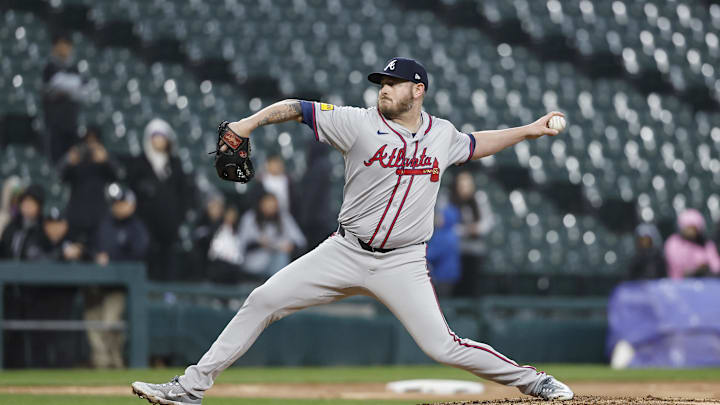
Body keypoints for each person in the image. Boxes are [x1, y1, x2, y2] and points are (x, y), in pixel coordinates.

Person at [132, 57, 573, 403]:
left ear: (417, 91)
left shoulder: (443, 134)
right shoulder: (356, 122)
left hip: (403, 262)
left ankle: (535, 382)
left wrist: (529, 132)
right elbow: (297, 108)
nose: (383, 89)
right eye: (380, 83)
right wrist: (247, 124)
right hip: (345, 251)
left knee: (443, 347)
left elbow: (477, 144)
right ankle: (189, 388)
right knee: (263, 299)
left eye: (392, 83)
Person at [87, 183, 149, 369]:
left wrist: (112, 258)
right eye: (116, 203)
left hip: (120, 287)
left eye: (122, 203)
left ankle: (114, 362)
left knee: (110, 324)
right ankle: (102, 363)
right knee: (93, 324)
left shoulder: (136, 227)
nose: (118, 206)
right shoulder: (105, 223)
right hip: (98, 284)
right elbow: (92, 247)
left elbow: (140, 254)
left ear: (131, 204)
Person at [125, 118, 194, 280]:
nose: (158, 140)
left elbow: (183, 193)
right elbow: (132, 189)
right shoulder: (139, 163)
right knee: (148, 259)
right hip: (145, 224)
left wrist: (179, 217)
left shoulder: (175, 164)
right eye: (155, 136)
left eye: (162, 136)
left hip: (169, 225)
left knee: (169, 261)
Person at [60, 125, 119, 245]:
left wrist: (106, 160)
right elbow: (61, 176)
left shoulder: (103, 161)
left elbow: (117, 176)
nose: (90, 146)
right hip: (76, 214)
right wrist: (69, 161)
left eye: (94, 141)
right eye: (88, 141)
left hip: (98, 215)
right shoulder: (77, 160)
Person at [237, 192, 306, 277]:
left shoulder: (283, 218)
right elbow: (240, 247)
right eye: (267, 205)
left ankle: (278, 286)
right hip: (254, 262)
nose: (270, 209)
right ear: (260, 204)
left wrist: (291, 246)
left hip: (277, 262)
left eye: (273, 206)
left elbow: (301, 242)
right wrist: (258, 244)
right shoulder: (249, 218)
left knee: (281, 256)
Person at [450, 171, 494, 296]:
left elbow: (487, 222)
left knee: (473, 285)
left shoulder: (479, 199)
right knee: (456, 286)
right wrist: (465, 230)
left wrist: (476, 228)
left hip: (475, 249)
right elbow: (447, 225)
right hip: (456, 249)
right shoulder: (450, 199)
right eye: (461, 184)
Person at [42, 32, 85, 163]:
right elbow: (55, 84)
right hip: (54, 124)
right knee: (55, 161)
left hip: (71, 123)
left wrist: (65, 87)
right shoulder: (49, 67)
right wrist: (73, 86)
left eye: (67, 45)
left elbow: (86, 89)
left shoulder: (75, 68)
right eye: (61, 44)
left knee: (72, 161)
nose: (64, 48)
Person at [294, 141, 334, 250]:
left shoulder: (317, 167)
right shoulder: (325, 165)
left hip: (314, 220)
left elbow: (311, 195)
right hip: (323, 218)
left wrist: (303, 218)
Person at [664, 209, 720, 279]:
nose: (691, 231)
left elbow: (715, 264)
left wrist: (706, 267)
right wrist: (695, 269)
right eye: (688, 228)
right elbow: (675, 264)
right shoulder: (673, 243)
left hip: (705, 283)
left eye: (693, 228)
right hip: (679, 284)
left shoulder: (706, 244)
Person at [0, 185, 46, 260]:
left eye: (31, 202)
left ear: (39, 206)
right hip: (9, 270)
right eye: (24, 202)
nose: (27, 206)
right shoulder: (12, 226)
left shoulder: (44, 228)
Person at [426, 202, 462, 297]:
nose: (438, 218)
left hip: (444, 275)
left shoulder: (445, 236)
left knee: (442, 301)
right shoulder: (449, 233)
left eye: (441, 216)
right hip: (448, 275)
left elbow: (431, 255)